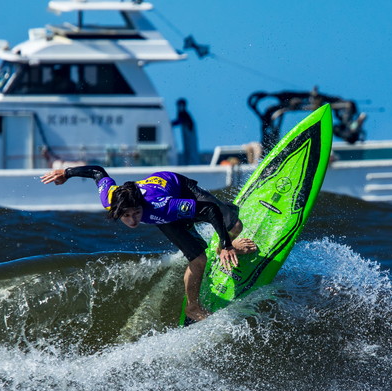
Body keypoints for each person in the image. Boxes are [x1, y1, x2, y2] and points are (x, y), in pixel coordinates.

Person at [40, 166, 257, 322]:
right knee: (198, 259)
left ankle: (222, 248)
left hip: (179, 188)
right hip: (163, 215)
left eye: (136, 213)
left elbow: (210, 210)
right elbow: (97, 172)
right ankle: (193, 307)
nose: (133, 220)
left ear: (142, 206)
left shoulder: (161, 207)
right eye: (126, 216)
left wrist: (226, 244)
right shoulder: (110, 198)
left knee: (234, 225)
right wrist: (67, 173)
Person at [171, 98, 200, 165]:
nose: (179, 107)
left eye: (181, 105)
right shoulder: (182, 113)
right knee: (189, 151)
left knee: (191, 150)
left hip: (190, 137)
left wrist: (169, 124)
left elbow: (180, 121)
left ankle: (192, 163)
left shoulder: (184, 114)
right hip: (188, 137)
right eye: (179, 105)